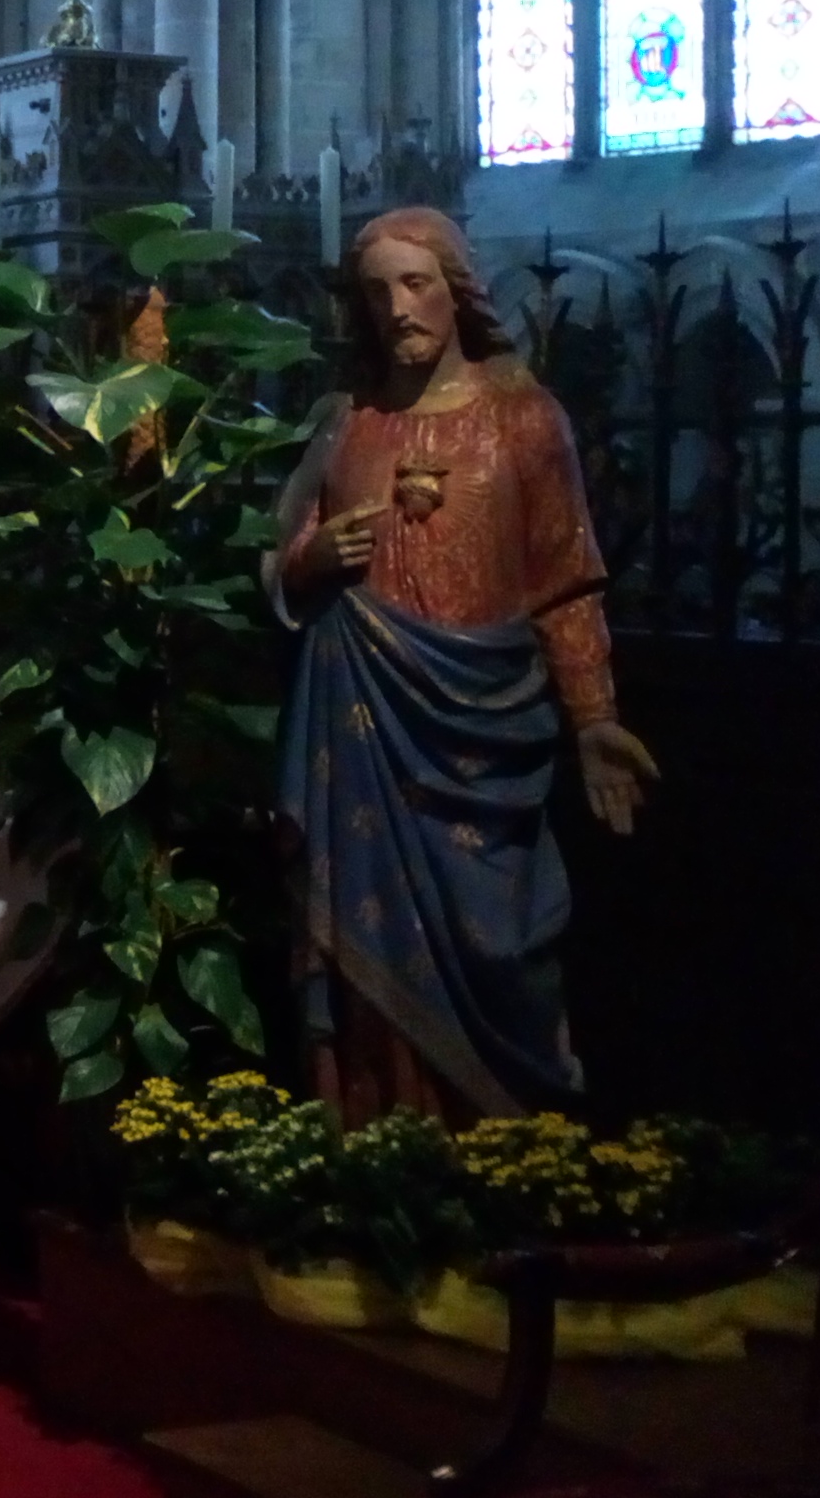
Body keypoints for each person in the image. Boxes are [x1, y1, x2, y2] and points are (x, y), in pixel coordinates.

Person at [270, 206, 657, 1122]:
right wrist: (311, 561)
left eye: (416, 284)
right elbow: (281, 556)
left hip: (482, 736)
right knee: (365, 949)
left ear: (458, 290)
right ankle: (376, 1141)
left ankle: (499, 1146)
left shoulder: (523, 419)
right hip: (362, 730)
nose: (398, 309)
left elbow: (564, 579)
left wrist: (594, 717)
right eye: (378, 293)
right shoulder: (346, 423)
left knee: (501, 954)